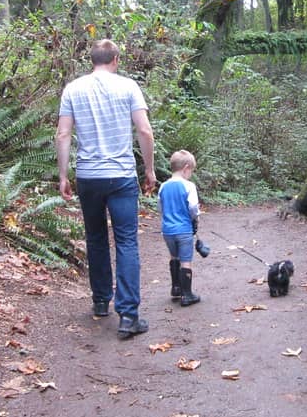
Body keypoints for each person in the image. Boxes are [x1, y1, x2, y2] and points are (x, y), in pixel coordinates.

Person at [56, 39, 156, 338]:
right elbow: (144, 130)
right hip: (121, 176)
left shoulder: (73, 89)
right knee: (126, 241)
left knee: (96, 237)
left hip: (88, 176)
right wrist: (149, 169)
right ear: (115, 59)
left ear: (92, 60)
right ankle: (128, 316)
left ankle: (101, 301)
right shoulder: (128, 87)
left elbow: (63, 134)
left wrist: (63, 175)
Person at [157, 150, 202, 307]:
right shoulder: (189, 186)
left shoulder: (163, 186)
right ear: (186, 168)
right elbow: (193, 207)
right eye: (191, 171)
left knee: (174, 256)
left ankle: (176, 288)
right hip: (184, 229)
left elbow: (160, 207)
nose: (191, 174)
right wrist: (195, 218)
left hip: (167, 230)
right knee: (186, 260)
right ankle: (187, 294)